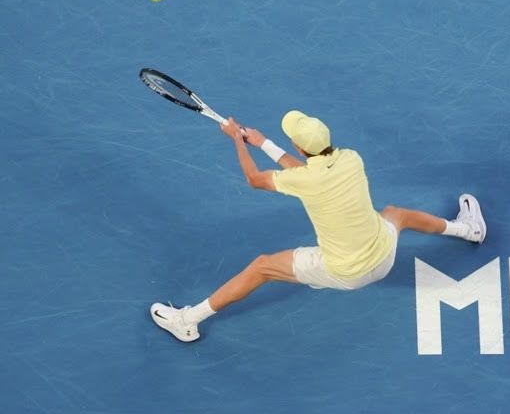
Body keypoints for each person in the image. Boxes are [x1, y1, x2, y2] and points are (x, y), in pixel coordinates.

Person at [150, 110, 486, 342]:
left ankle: (187, 321)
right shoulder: (351, 159)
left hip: (346, 273)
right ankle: (468, 229)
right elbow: (306, 172)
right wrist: (263, 142)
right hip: (384, 255)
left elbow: (255, 179)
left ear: (299, 147)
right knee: (397, 214)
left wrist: (237, 141)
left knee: (262, 267)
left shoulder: (305, 179)